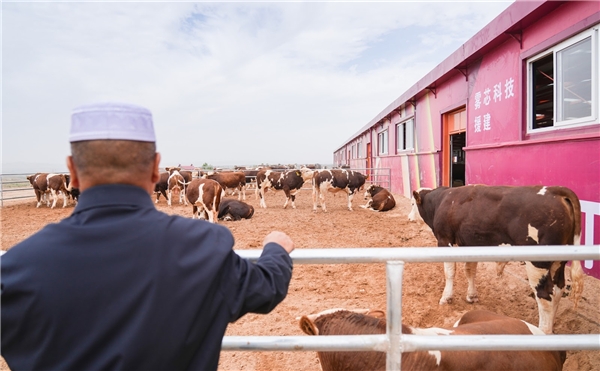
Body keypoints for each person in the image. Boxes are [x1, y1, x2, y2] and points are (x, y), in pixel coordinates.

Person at [0, 102, 295, 371]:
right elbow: (266, 289)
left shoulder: (16, 269)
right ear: (156, 168)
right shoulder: (204, 247)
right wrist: (276, 249)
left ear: (72, 172)